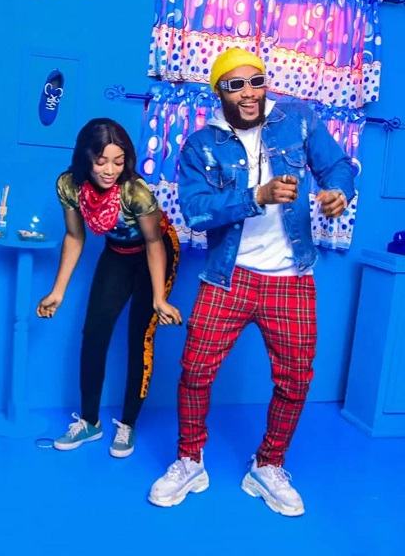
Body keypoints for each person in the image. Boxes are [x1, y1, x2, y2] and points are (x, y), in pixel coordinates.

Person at [148, 48, 355, 515]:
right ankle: (190, 459)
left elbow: (338, 166)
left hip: (291, 278)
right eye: (235, 85)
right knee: (195, 371)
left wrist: (339, 192)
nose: (248, 93)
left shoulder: (297, 120)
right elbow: (195, 212)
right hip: (228, 277)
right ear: (218, 92)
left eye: (256, 81)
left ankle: (269, 465)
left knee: (296, 380)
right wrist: (255, 196)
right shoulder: (201, 145)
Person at [37, 117, 182, 458]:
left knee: (139, 337)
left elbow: (153, 242)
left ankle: (128, 424)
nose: (110, 170)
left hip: (155, 253)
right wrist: (57, 292)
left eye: (118, 162)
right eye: (101, 161)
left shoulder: (135, 191)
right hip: (117, 253)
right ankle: (89, 422)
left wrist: (159, 298)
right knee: (94, 333)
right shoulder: (70, 185)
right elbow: (75, 236)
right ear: (86, 157)